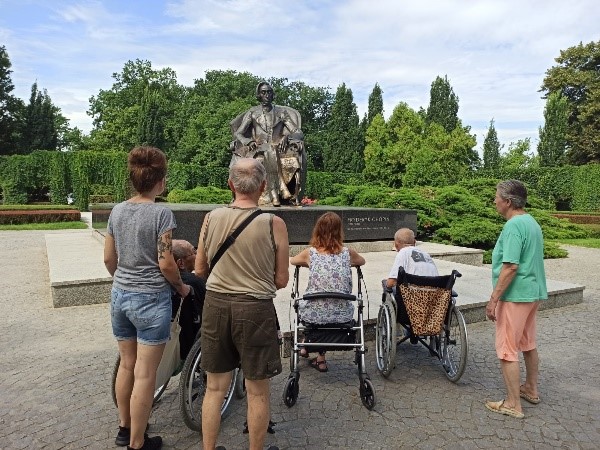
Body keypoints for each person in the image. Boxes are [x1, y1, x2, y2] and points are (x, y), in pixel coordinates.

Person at [194, 158, 289, 450]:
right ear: (263, 187)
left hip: (216, 307)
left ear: (230, 184)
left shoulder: (211, 217)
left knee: (214, 388)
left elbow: (199, 270)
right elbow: (282, 279)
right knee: (257, 391)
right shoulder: (274, 223)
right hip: (255, 309)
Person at [104, 146, 191, 450]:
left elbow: (108, 259)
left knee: (127, 365)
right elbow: (166, 262)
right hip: (151, 299)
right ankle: (138, 444)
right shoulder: (161, 213)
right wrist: (181, 287)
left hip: (120, 297)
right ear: (160, 181)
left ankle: (124, 428)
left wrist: (123, 279)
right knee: (145, 373)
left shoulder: (117, 210)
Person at [485, 180, 547, 419]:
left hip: (515, 295)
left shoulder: (513, 226)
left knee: (507, 349)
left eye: (496, 197)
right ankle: (530, 389)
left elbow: (510, 266)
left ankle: (513, 403)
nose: (494, 201)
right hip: (532, 293)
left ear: (508, 202)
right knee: (528, 343)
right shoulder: (531, 222)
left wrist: (493, 299)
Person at [290, 212, 366, 372]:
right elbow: (362, 261)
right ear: (340, 231)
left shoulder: (310, 253)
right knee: (329, 305)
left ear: (318, 230)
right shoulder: (348, 253)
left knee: (316, 307)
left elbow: (293, 260)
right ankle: (318, 357)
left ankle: (307, 347)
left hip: (314, 315)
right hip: (342, 315)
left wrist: (310, 265)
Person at [230, 81, 305, 206]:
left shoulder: (281, 113)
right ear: (259, 95)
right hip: (256, 148)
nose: (266, 95)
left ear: (273, 95)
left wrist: (287, 137)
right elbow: (238, 133)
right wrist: (248, 141)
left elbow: (298, 132)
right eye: (263, 92)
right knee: (269, 150)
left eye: (269, 92)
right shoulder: (252, 113)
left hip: (277, 148)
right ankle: (278, 190)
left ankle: (275, 193)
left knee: (271, 149)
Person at [171, 239, 206, 359]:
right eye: (194, 252)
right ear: (181, 263)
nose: (197, 256)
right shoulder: (196, 282)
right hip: (190, 342)